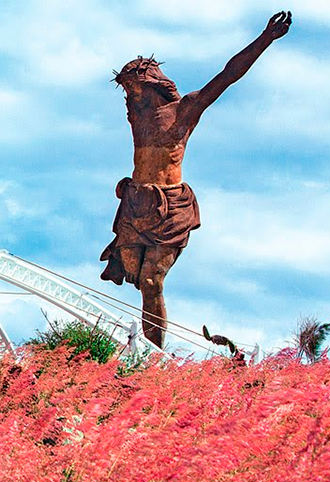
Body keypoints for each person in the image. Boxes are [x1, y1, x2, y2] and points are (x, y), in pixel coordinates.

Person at [100, 11, 292, 347]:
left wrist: (265, 39)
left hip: (169, 209)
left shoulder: (184, 110)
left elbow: (227, 76)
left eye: (135, 88)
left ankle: (153, 355)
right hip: (134, 206)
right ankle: (147, 339)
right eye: (127, 90)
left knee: (151, 281)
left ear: (152, 83)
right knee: (133, 270)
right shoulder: (136, 115)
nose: (131, 96)